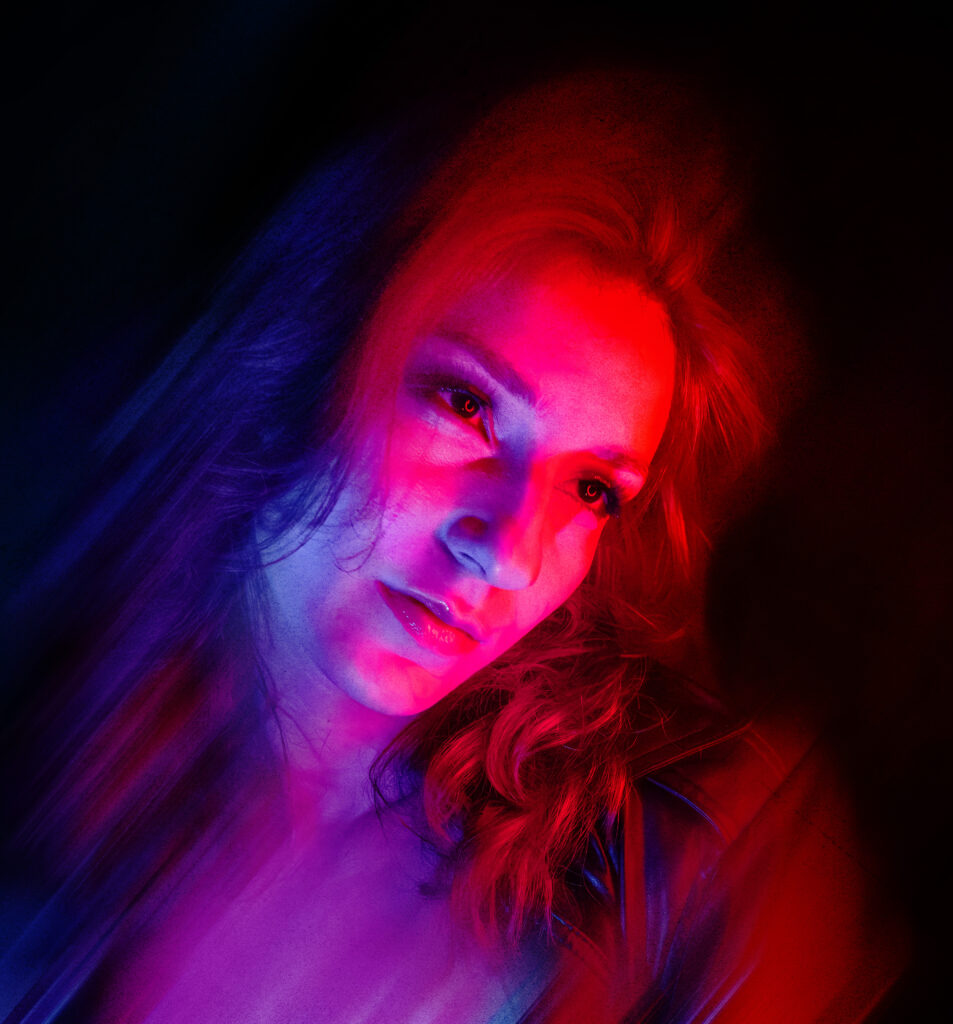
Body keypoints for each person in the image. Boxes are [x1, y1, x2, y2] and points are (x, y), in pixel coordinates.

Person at [0, 70, 906, 1022]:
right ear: (308, 352)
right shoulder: (43, 727)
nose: (509, 552)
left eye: (591, 490)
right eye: (467, 405)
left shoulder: (704, 853)